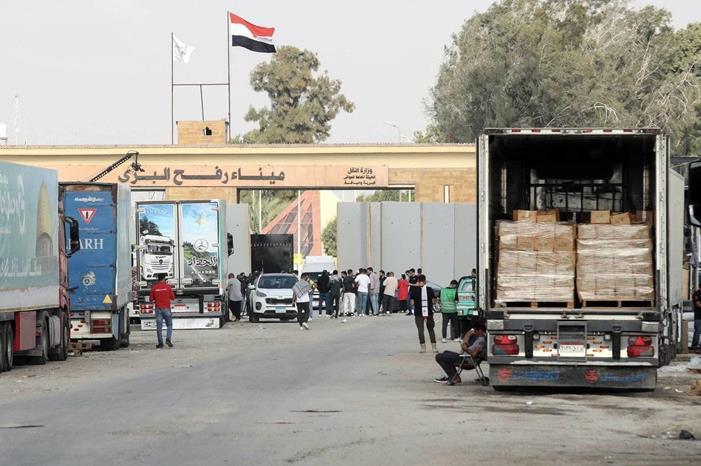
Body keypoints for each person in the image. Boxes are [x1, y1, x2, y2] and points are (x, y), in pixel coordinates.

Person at [410, 274, 437, 353]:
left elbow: (412, 303)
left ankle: (423, 348)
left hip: (418, 312)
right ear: (425, 281)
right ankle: (434, 348)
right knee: (431, 329)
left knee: (420, 330)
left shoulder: (414, 290)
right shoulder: (429, 289)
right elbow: (434, 301)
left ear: (418, 281)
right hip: (429, 312)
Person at [149, 273, 175, 348]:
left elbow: (151, 299)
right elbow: (173, 298)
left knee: (159, 327)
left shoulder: (154, 288)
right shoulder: (168, 287)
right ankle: (168, 339)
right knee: (169, 325)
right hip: (166, 308)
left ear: (158, 279)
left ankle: (160, 343)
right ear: (164, 279)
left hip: (158, 309)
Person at [692, 285, 701, 349]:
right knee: (697, 331)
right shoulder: (696, 294)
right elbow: (698, 304)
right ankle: (694, 346)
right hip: (698, 316)